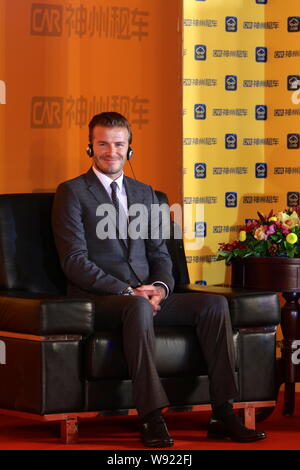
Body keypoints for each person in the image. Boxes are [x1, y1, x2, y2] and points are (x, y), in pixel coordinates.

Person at [52, 111, 266, 447]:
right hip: (100, 300)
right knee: (135, 308)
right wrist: (127, 290)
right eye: (103, 144)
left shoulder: (145, 193)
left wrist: (161, 289)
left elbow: (160, 255)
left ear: (130, 149)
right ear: (90, 148)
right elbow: (74, 262)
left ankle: (223, 411)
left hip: (145, 295)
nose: (111, 151)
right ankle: (151, 417)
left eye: (119, 144)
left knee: (213, 305)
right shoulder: (72, 192)